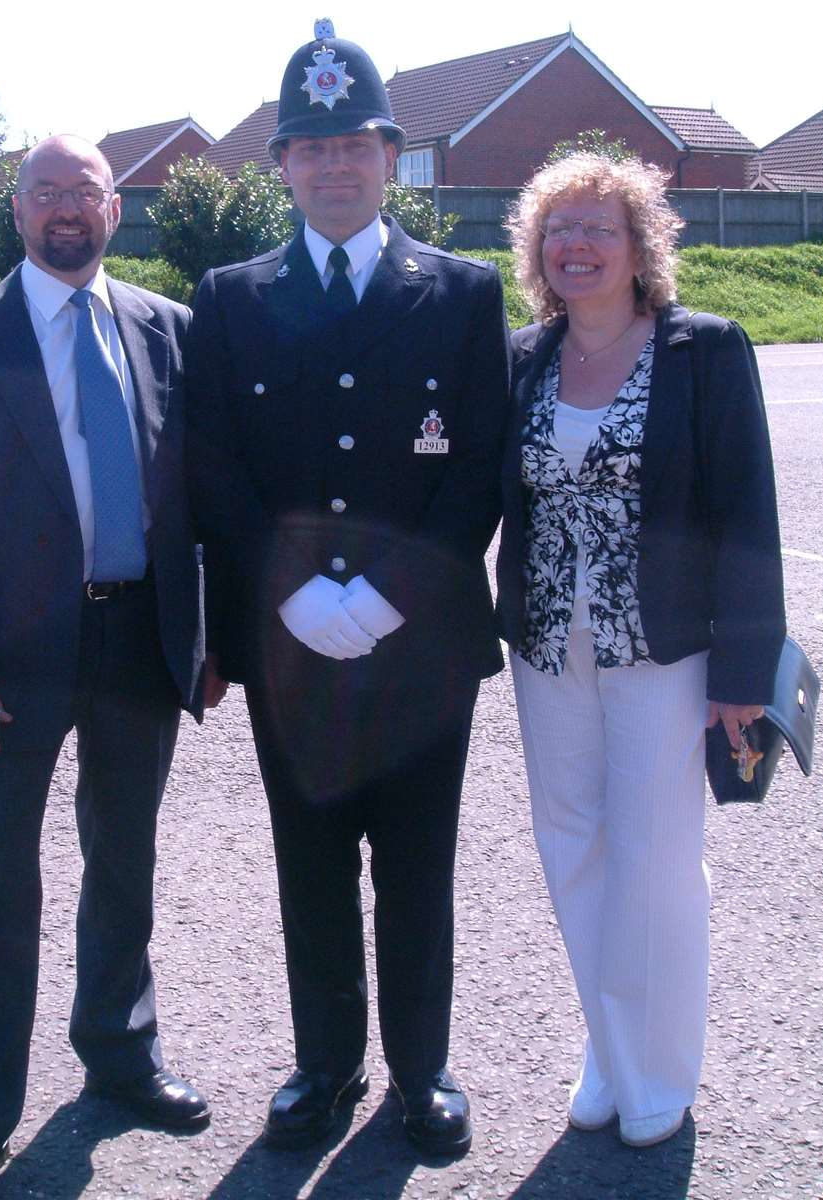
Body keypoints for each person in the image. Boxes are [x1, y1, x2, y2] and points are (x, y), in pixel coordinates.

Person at [187, 21, 509, 1156]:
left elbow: (479, 464)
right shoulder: (230, 297)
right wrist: (290, 600)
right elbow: (214, 466)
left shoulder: (462, 295)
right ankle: (325, 1067)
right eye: (310, 147)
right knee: (311, 860)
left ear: (390, 156)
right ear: (281, 165)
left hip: (418, 643)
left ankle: (421, 1075)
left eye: (354, 145)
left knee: (418, 864)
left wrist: (385, 598)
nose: (334, 166)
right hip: (289, 645)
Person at [0, 134, 217, 1200]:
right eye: (46, 193)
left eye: (85, 191)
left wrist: (204, 638)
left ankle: (120, 1059)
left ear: (116, 210)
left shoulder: (168, 329)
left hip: (137, 642)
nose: (66, 209)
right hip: (8, 660)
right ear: (17, 211)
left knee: (124, 864)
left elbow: (196, 507)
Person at [496, 152, 785, 1148]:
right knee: (572, 847)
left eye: (598, 229)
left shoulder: (703, 351)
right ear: (538, 250)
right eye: (557, 230)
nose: (575, 246)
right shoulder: (524, 357)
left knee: (656, 861)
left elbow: (748, 515)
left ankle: (659, 1069)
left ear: (640, 246)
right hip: (547, 648)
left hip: (665, 652)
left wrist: (746, 676)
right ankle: (612, 1043)